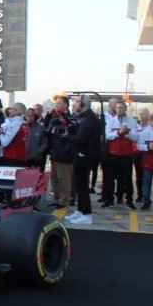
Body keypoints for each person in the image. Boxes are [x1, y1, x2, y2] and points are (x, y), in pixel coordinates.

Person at [65, 95, 102, 226]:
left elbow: (81, 139)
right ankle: (81, 211)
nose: (74, 106)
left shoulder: (89, 120)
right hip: (81, 155)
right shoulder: (84, 118)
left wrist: (66, 136)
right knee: (79, 185)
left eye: (76, 103)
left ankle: (86, 214)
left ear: (82, 104)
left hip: (85, 155)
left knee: (82, 185)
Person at [103, 100, 139, 210]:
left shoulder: (131, 121)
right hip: (112, 154)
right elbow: (107, 135)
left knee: (127, 179)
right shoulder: (110, 121)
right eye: (117, 108)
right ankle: (109, 200)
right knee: (110, 179)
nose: (119, 109)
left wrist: (127, 132)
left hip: (126, 155)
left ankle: (129, 200)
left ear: (125, 109)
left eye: (122, 108)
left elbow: (136, 137)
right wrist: (118, 133)